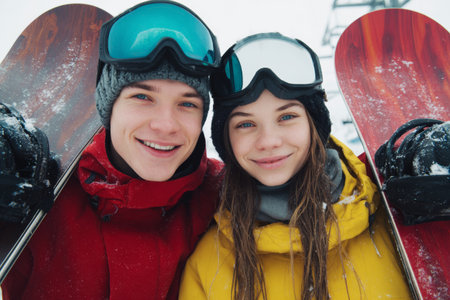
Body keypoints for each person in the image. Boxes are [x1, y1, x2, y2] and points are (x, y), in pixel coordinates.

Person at [1, 1, 222, 299]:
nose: (165, 124)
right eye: (143, 97)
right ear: (108, 108)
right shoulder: (45, 188)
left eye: (187, 104)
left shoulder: (223, 197)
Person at [179, 32, 411, 299]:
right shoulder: (208, 263)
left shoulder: (389, 215)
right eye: (245, 124)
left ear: (314, 125)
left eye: (287, 116)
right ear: (227, 141)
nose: (268, 141)